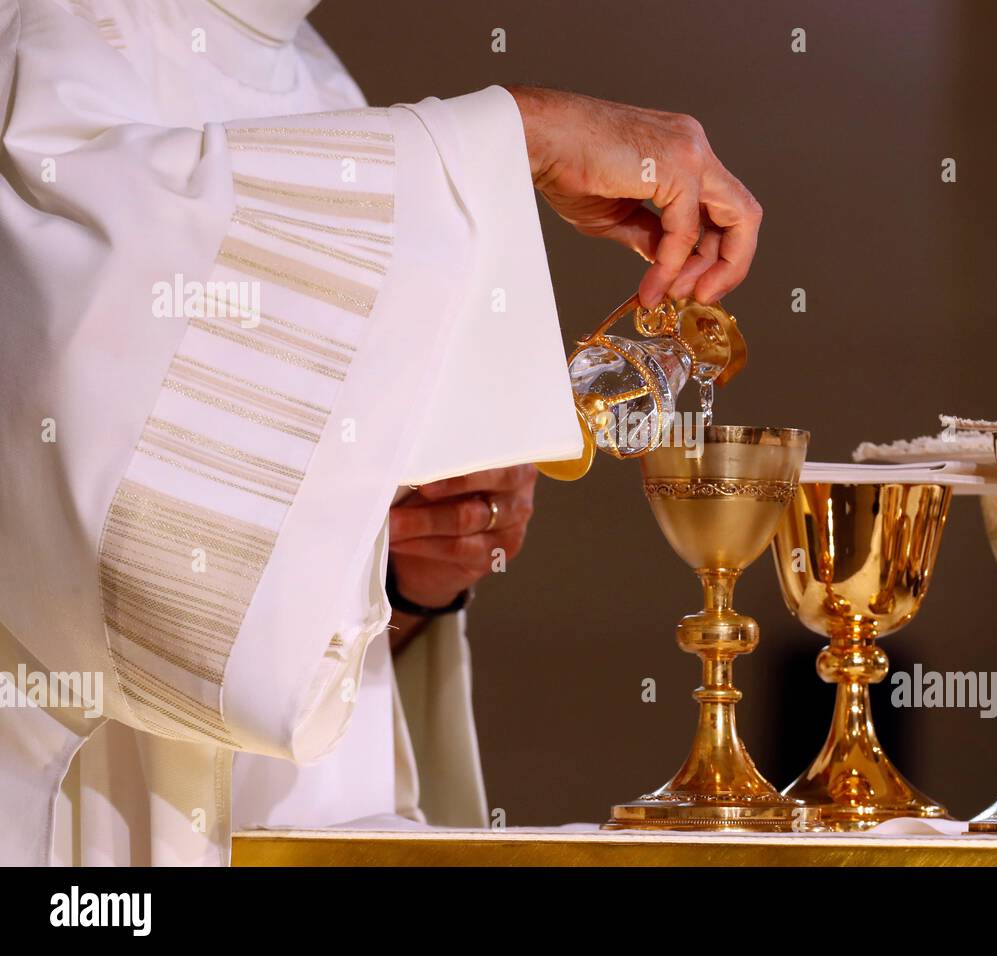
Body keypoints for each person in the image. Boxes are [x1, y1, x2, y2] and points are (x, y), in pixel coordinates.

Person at [0, 0, 761, 865]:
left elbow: (266, 601)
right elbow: (61, 396)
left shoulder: (318, 74)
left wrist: (401, 575)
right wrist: (514, 135)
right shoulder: (40, 32)